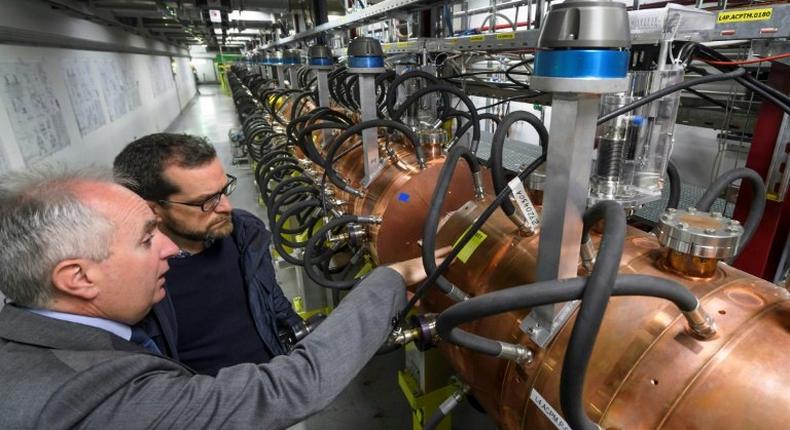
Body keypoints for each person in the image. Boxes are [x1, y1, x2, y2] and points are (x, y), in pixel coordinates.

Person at [0, 168, 427, 428]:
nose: (168, 249)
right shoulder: (95, 399)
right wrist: (389, 278)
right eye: (147, 239)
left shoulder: (40, 341)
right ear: (77, 277)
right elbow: (292, 388)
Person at [113, 133, 301, 375]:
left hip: (273, 385)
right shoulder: (133, 279)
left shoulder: (245, 232)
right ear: (152, 209)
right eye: (207, 201)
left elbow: (272, 300)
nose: (226, 207)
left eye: (224, 190)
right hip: (208, 407)